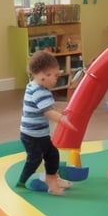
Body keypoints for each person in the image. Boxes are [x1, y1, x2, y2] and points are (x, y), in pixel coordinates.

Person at [17, 50, 75, 195]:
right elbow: (48, 112)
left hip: (38, 133)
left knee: (52, 155)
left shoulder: (34, 85)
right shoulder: (39, 92)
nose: (56, 79)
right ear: (44, 76)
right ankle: (23, 181)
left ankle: (53, 177)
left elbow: (48, 107)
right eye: (54, 76)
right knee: (34, 159)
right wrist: (63, 120)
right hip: (32, 135)